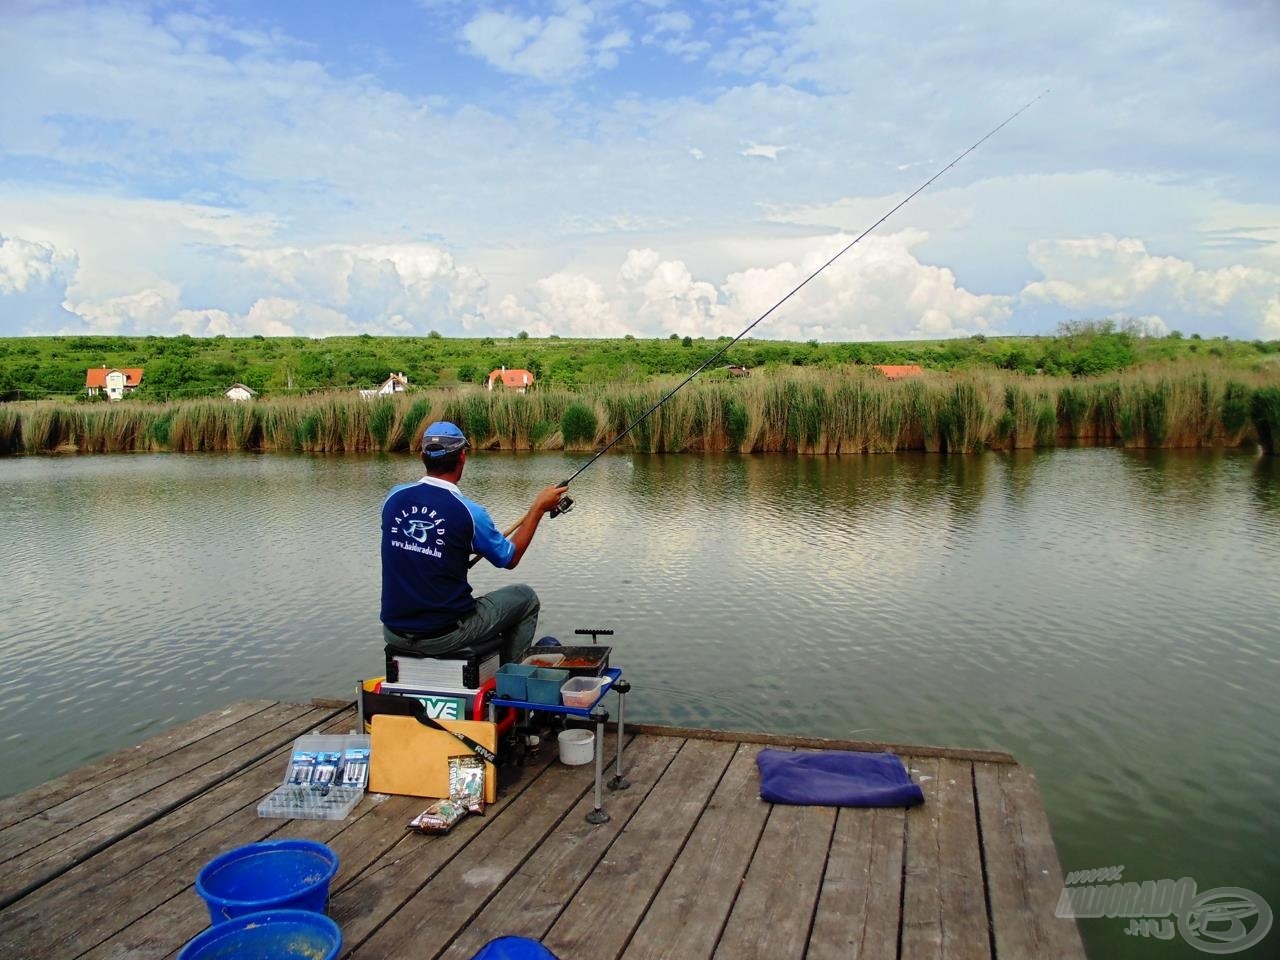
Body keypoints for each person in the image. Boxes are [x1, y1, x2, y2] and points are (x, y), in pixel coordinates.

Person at [381, 421, 567, 664]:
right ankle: (510, 686)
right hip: (444, 635)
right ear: (462, 457)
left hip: (393, 632)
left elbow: (421, 551)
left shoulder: (393, 498)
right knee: (525, 598)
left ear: (422, 456)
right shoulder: (470, 513)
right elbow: (510, 558)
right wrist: (538, 509)